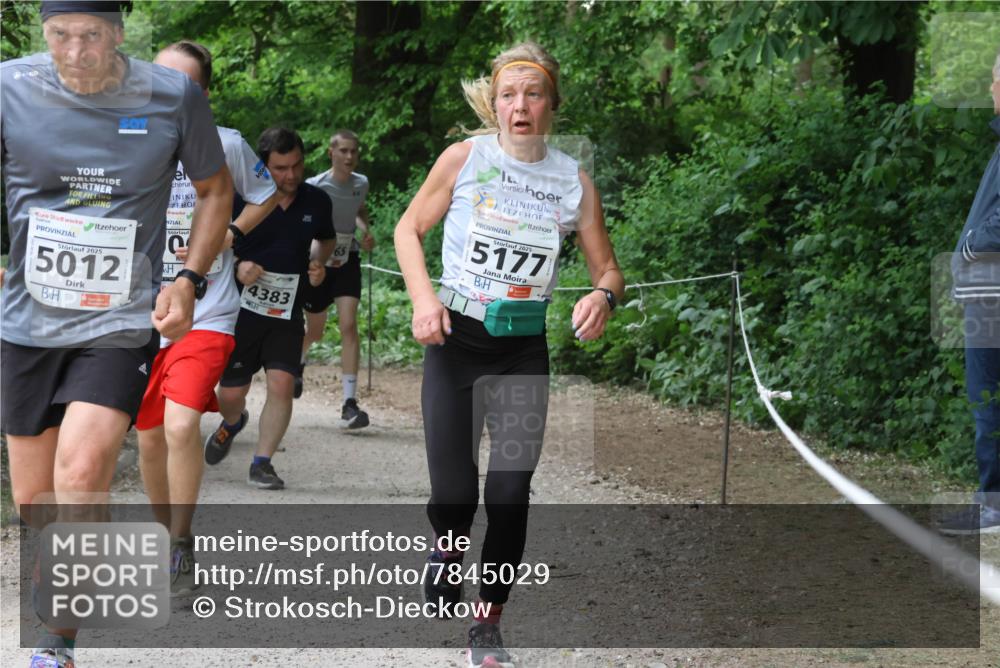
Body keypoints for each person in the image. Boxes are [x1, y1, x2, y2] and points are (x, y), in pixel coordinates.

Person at [0, 3, 232, 666]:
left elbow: (215, 190)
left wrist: (188, 279)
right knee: (35, 501)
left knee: (81, 468)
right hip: (26, 321)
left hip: (118, 319)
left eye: (92, 35)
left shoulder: (172, 97)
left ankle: (58, 641)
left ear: (120, 34)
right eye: (60, 36)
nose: (76, 51)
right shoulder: (9, 88)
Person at [394, 42, 623, 668]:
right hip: (454, 345)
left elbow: (609, 270)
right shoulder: (466, 158)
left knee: (510, 492)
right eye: (508, 95)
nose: (520, 106)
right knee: (455, 494)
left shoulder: (574, 182)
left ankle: (488, 624)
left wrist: (602, 297)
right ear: (493, 103)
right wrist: (422, 300)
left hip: (523, 351)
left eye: (533, 94)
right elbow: (408, 229)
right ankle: (446, 548)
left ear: (551, 104)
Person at [135, 41, 280, 595]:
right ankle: (163, 535)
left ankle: (180, 538)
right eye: (162, 79)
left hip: (209, 310)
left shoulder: (226, 145)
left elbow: (266, 193)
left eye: (186, 84)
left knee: (178, 426)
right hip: (142, 312)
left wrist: (232, 233)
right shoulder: (130, 141)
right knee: (148, 437)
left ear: (204, 93)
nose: (172, 92)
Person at [204, 127, 335, 490]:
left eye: (296, 166)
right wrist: (236, 267)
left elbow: (326, 240)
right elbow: (211, 246)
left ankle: (263, 462)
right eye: (279, 168)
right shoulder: (239, 199)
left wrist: (318, 264)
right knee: (230, 394)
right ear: (262, 166)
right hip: (239, 311)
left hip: (286, 312)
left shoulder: (317, 201)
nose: (290, 175)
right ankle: (232, 423)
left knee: (281, 383)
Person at [941, 51, 1000, 535]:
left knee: (988, 397)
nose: (990, 92)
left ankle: (994, 504)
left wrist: (970, 244)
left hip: (993, 296)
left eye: (995, 82)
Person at [300, 129, 374, 428]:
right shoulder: (314, 186)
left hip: (347, 260)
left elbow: (358, 210)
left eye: (354, 151)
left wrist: (365, 231)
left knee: (348, 324)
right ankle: (298, 362)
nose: (349, 157)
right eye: (343, 151)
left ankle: (349, 403)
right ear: (331, 153)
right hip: (319, 262)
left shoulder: (361, 183)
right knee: (315, 331)